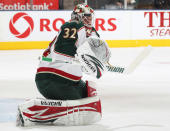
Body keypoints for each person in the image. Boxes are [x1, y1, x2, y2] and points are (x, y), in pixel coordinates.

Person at [16, 3, 111, 126]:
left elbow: (95, 56)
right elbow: (61, 53)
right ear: (78, 16)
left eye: (90, 17)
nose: (89, 19)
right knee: (84, 107)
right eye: (86, 16)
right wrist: (83, 60)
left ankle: (54, 106)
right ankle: (32, 111)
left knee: (90, 92)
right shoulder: (73, 25)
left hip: (68, 81)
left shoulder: (91, 33)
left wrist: (97, 62)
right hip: (54, 79)